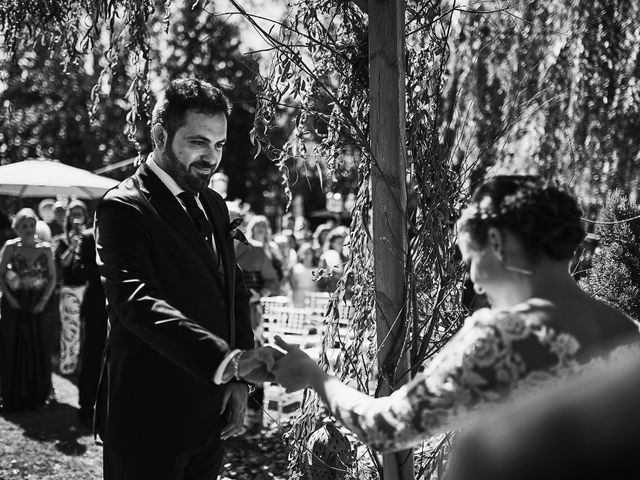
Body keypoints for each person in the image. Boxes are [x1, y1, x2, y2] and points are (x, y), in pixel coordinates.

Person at [272, 175, 640, 452]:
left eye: (471, 261)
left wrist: (314, 376)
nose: (475, 283)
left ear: (495, 243)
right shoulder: (628, 331)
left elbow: (385, 427)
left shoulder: (502, 339)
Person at [94, 78, 281, 480]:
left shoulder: (213, 202)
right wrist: (229, 362)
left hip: (209, 417)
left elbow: (234, 290)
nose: (210, 158)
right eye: (198, 142)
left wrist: (237, 382)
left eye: (219, 145)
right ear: (161, 135)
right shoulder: (125, 207)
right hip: (148, 418)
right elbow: (137, 303)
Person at [0, 208, 56, 410]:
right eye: (23, 225)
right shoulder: (10, 247)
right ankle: (13, 394)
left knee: (38, 345)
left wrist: (43, 302)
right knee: (14, 345)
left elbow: (52, 278)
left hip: (40, 302)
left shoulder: (46, 248)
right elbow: (0, 275)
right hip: (14, 302)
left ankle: (38, 394)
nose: (28, 229)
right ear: (16, 228)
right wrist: (9, 298)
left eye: (31, 225)